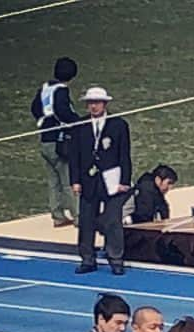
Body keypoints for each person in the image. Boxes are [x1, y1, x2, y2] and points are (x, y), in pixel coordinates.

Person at [69, 86, 132, 275]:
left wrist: (125, 180)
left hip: (112, 181)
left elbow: (124, 155)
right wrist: (75, 180)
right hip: (89, 180)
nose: (93, 106)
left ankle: (116, 258)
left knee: (113, 220)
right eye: (90, 103)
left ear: (105, 104)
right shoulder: (80, 126)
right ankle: (88, 258)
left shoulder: (118, 125)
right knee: (86, 221)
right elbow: (74, 156)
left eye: (96, 103)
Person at [30, 56, 79, 228]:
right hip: (59, 141)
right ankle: (78, 216)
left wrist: (43, 121)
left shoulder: (44, 88)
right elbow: (63, 112)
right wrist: (76, 123)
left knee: (53, 181)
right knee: (68, 180)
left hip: (45, 139)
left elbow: (35, 108)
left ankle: (57, 215)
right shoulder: (61, 90)